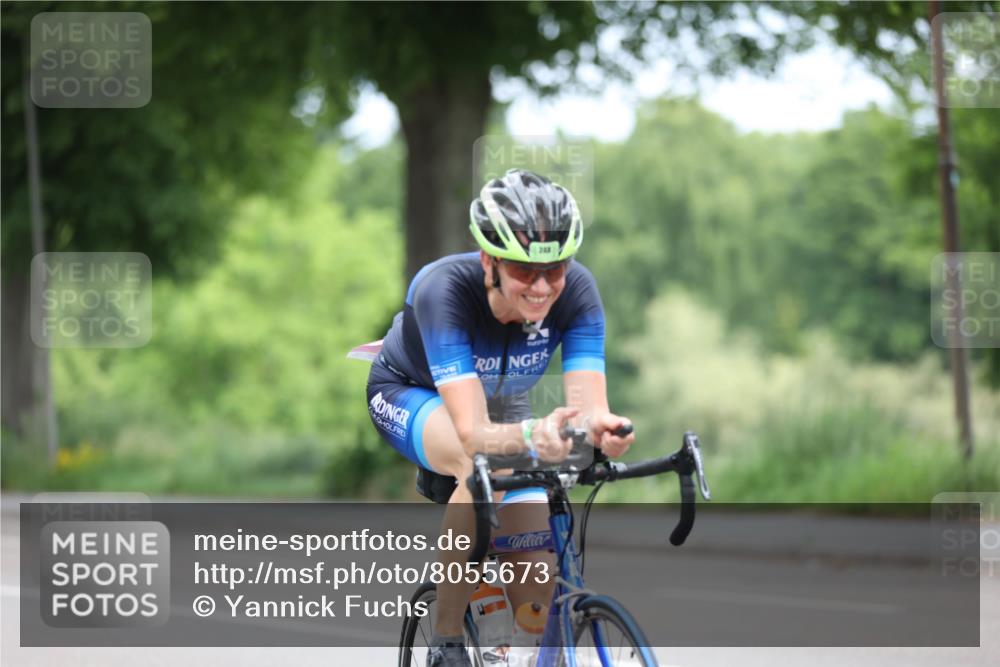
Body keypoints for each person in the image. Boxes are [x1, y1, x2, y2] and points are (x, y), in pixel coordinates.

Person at [365, 169, 635, 667]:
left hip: (503, 406)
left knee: (535, 599)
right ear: (489, 260)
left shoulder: (577, 292)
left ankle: (513, 649)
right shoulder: (443, 289)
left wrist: (604, 431)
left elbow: (589, 407)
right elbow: (472, 433)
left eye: (555, 269)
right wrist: (536, 434)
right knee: (481, 465)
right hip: (413, 391)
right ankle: (447, 640)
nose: (542, 286)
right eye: (523, 271)